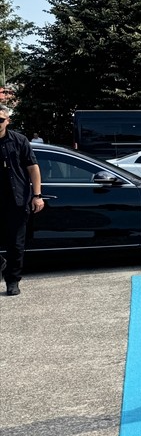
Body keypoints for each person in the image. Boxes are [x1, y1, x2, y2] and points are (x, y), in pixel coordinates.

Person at [0, 106, 45, 297]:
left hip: (17, 201)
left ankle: (12, 281)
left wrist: (37, 195)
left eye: (0, 119)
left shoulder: (19, 140)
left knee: (15, 244)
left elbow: (33, 168)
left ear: (8, 121)